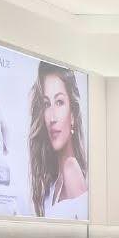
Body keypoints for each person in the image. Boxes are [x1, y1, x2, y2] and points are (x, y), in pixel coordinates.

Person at [29, 62, 89, 218]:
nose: (52, 118)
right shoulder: (51, 186)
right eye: (46, 104)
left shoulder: (71, 169)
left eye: (59, 102)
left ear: (73, 115)